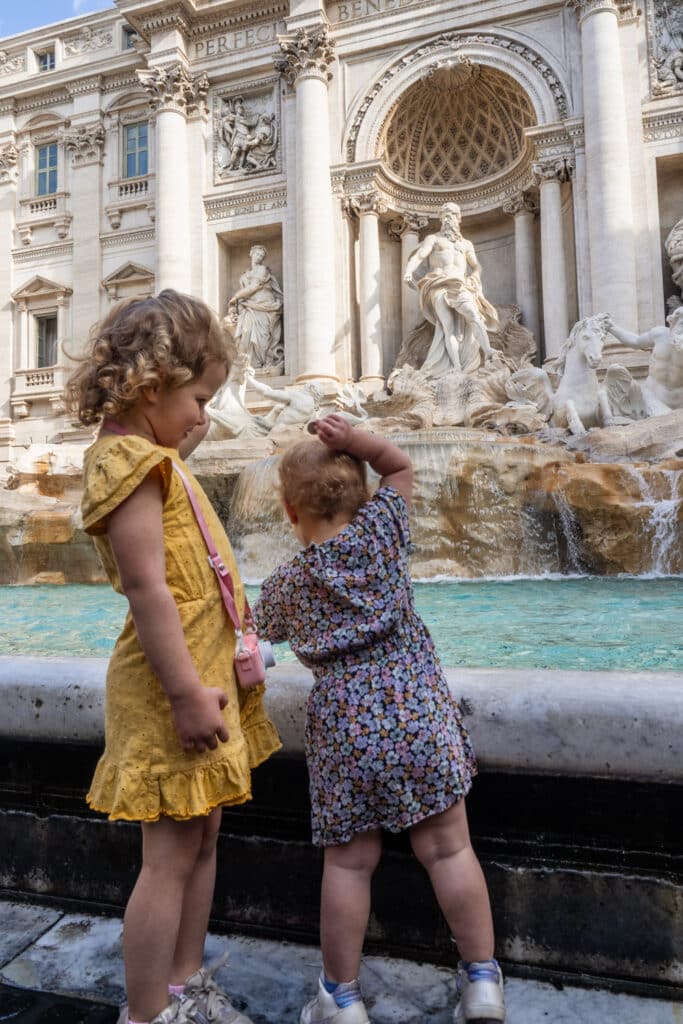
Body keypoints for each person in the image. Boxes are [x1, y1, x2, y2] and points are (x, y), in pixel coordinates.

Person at [66, 290, 281, 1024]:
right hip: (171, 684)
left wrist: (182, 430)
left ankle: (185, 986)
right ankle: (147, 1013)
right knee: (167, 858)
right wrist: (188, 692)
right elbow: (147, 587)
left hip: (202, 670)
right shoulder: (126, 466)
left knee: (203, 832)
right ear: (153, 384)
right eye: (198, 397)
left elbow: (176, 451)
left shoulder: (151, 454)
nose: (203, 416)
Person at [253, 414, 505, 1024]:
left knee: (348, 863)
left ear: (290, 511)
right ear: (362, 497)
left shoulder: (289, 583)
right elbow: (400, 464)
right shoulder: (382, 532)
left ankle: (340, 997)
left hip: (344, 726)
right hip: (417, 708)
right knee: (449, 851)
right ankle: (481, 979)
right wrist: (357, 441)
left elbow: (255, 636)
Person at [403, 202, 499, 376]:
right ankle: (456, 367)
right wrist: (409, 270)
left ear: (459, 218)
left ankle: (488, 350)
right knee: (449, 328)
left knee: (475, 316)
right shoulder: (434, 239)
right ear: (441, 219)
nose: (448, 219)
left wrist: (474, 277)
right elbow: (420, 255)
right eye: (445, 216)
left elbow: (477, 267)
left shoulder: (466, 244)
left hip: (460, 285)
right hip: (438, 284)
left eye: (452, 215)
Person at [605, 306, 683, 413]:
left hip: (679, 405)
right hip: (652, 397)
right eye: (682, 324)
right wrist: (611, 327)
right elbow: (635, 341)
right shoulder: (659, 334)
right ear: (672, 321)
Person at [227, 245, 284, 371]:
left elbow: (253, 287)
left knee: (262, 338)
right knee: (246, 331)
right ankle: (249, 365)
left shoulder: (262, 270)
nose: (259, 257)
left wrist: (235, 297)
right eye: (257, 254)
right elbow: (246, 293)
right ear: (251, 253)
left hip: (264, 305)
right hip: (249, 307)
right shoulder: (245, 274)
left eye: (261, 256)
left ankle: (261, 362)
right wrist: (237, 305)